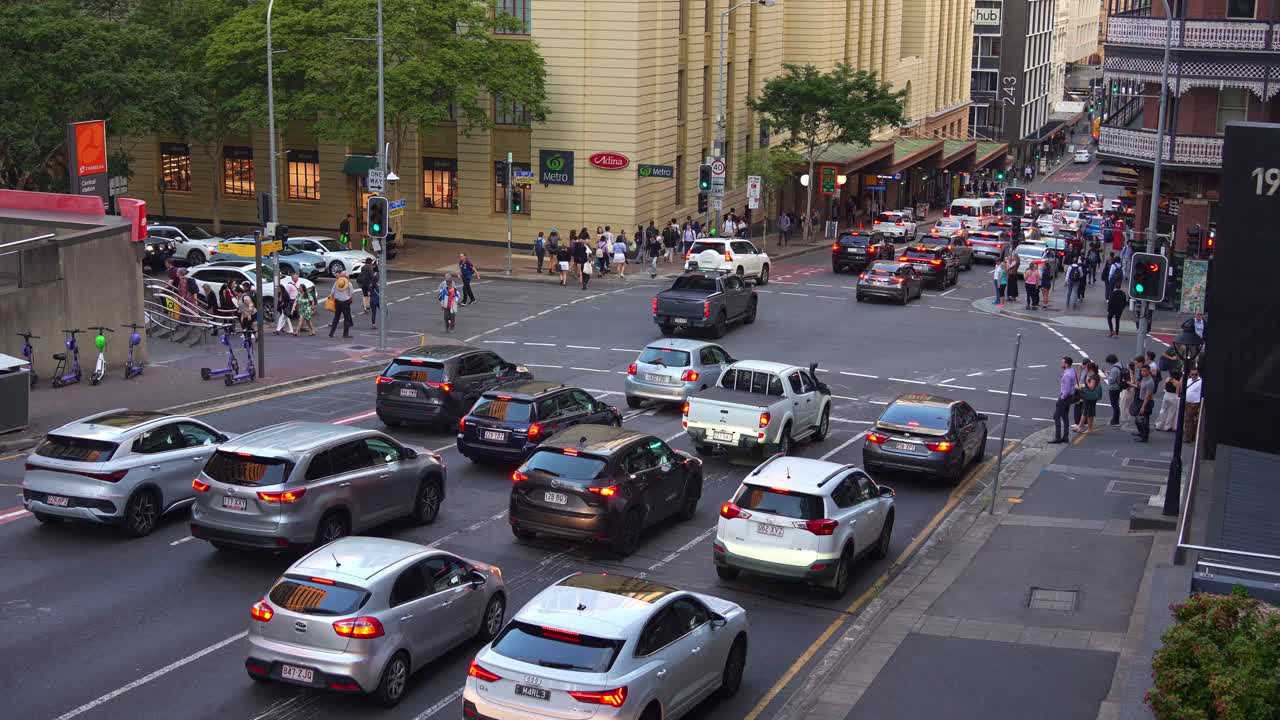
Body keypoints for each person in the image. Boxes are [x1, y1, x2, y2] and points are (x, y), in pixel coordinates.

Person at [1050, 356, 1079, 444]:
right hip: (1070, 397)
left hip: (1065, 397)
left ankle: (1058, 437)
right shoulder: (1072, 371)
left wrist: (1061, 398)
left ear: (1066, 364)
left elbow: (1066, 390)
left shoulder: (1067, 375)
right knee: (1065, 416)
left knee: (1056, 416)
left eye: (1062, 362)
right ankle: (1065, 437)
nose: (1061, 364)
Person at [327, 272, 354, 338]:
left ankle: (331, 333)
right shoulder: (349, 284)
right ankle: (345, 334)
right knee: (346, 318)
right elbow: (351, 293)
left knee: (336, 317)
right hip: (345, 302)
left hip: (337, 302)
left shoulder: (336, 283)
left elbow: (332, 292)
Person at [1133, 364, 1155, 442]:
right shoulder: (1144, 379)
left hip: (1146, 402)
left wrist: (1143, 406)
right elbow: (1141, 387)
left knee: (1143, 420)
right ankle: (1142, 433)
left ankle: (1144, 437)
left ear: (1149, 371)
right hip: (1141, 400)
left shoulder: (1150, 382)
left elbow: (1148, 395)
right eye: (1142, 370)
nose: (1142, 372)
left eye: (1144, 370)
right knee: (1141, 419)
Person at [1105, 354, 1127, 426]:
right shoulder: (1120, 365)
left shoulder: (1114, 369)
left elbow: (1111, 380)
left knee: (1114, 405)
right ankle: (1115, 419)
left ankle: (1115, 420)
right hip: (1119, 386)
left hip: (1114, 388)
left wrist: (1107, 375)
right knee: (1116, 404)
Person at [273, 271, 298, 336]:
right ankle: (291, 330)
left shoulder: (285, 294)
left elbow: (287, 301)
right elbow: (280, 302)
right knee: (287, 318)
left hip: (286, 307)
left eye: (279, 289)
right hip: (283, 308)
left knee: (282, 318)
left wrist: (287, 307)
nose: (278, 290)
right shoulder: (280, 294)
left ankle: (277, 330)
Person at [1183, 365, 1202, 443]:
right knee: (1189, 420)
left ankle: (1188, 437)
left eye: (1196, 374)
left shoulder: (1201, 381)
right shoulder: (1189, 380)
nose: (1194, 376)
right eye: (1192, 374)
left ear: (1198, 374)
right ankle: (1191, 436)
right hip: (1188, 402)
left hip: (1194, 403)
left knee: (1189, 420)